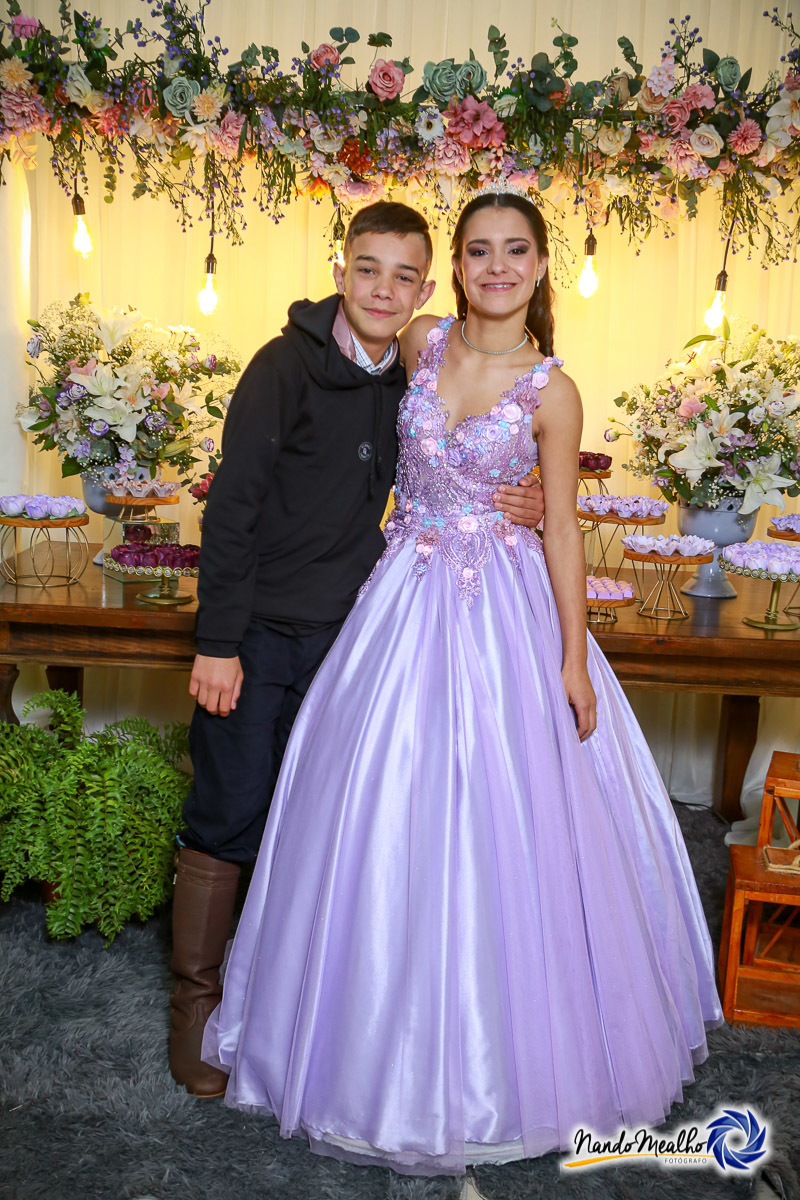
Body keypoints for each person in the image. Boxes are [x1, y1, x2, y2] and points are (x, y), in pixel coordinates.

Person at [201, 187, 724, 1175]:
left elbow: (561, 526)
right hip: (398, 600)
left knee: (506, 818)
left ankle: (508, 1053)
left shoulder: (552, 391)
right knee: (371, 805)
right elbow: (344, 380)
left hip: (502, 612)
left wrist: (571, 658)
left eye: (514, 250)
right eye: (478, 250)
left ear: (539, 266)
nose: (496, 267)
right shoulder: (420, 342)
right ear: (455, 266)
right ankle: (356, 1029)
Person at [169, 201, 546, 1098]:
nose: (383, 289)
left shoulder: (413, 368)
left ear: (425, 288)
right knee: (230, 805)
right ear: (339, 271)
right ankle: (195, 1002)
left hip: (353, 633)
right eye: (367, 269)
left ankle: (288, 996)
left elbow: (475, 423)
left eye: (403, 275)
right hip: (256, 633)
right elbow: (231, 511)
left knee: (317, 819)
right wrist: (217, 643)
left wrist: (524, 494)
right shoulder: (281, 368)